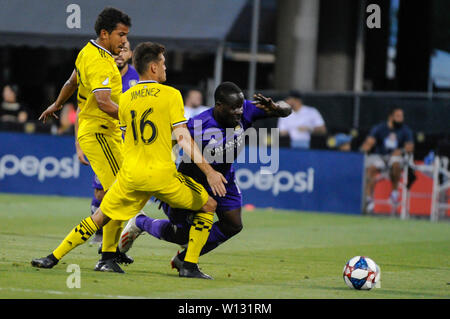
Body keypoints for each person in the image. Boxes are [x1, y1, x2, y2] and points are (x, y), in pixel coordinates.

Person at [32, 41, 228, 279]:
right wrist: (209, 171)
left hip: (131, 176)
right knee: (209, 205)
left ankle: (53, 257)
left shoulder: (125, 98)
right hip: (161, 176)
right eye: (163, 63)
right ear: (153, 68)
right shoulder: (172, 95)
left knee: (99, 216)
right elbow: (184, 138)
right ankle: (189, 265)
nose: (166, 68)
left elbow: (134, 135)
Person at [118, 82, 292, 273]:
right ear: (219, 105)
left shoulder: (246, 110)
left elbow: (287, 109)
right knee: (182, 235)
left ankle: (184, 259)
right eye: (233, 108)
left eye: (240, 107)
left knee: (233, 224)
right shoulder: (199, 125)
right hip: (193, 180)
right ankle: (140, 222)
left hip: (223, 178)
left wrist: (277, 108)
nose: (239, 112)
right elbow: (168, 144)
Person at [35, 7, 132, 272]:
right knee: (119, 193)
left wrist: (56, 103)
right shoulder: (100, 61)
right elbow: (103, 102)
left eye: (126, 35)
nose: (124, 41)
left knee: (123, 192)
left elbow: (71, 81)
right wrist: (131, 119)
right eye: (120, 35)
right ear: (104, 33)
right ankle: (106, 256)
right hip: (101, 132)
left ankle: (110, 253)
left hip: (104, 132)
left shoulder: (88, 52)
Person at [77, 39, 140, 246]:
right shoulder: (101, 69)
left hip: (130, 142)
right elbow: (82, 106)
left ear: (131, 55)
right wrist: (78, 145)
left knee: (123, 188)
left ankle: (114, 240)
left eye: (125, 50)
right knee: (102, 190)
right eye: (118, 49)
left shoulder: (138, 79)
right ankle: (102, 235)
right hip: (105, 137)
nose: (120, 53)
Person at [360, 108, 414, 211]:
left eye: (402, 116)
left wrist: (401, 150)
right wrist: (364, 148)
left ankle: (394, 193)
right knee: (371, 168)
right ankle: (368, 198)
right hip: (380, 156)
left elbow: (410, 147)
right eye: (398, 116)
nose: (401, 119)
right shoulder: (380, 128)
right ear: (391, 117)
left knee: (396, 164)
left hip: (395, 157)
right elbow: (369, 142)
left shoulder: (405, 130)